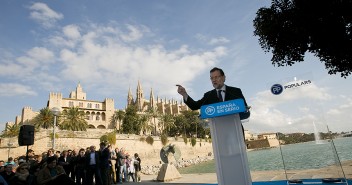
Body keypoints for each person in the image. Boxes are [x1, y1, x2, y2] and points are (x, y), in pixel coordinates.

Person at [177, 67, 250, 120]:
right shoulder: (208, 95)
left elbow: (246, 112)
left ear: (223, 78)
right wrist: (184, 94)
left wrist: (233, 117)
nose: (214, 80)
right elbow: (194, 106)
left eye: (216, 77)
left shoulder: (235, 91)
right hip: (218, 132)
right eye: (211, 78)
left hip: (236, 130)